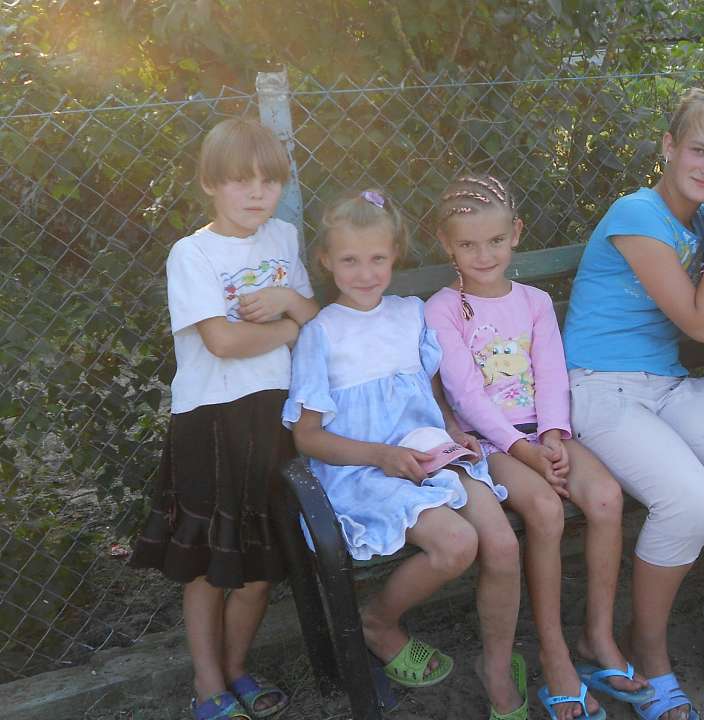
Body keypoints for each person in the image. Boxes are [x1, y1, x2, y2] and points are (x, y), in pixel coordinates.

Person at [562, 88, 704, 720]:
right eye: (698, 149)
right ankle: (648, 651)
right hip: (600, 388)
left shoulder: (701, 223)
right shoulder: (637, 213)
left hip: (667, 385)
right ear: (667, 146)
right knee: (687, 499)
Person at [285, 189, 528, 720]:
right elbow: (308, 437)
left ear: (395, 254)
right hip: (363, 469)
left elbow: (431, 394)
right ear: (326, 261)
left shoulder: (410, 314)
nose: (365, 272)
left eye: (377, 258)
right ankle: (377, 621)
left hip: (428, 451)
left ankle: (496, 666)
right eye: (350, 260)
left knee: (503, 544)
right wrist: (378, 455)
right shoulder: (321, 334)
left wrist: (454, 430)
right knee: (457, 544)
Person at [425, 174, 651, 720]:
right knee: (546, 509)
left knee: (605, 497)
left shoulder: (534, 301)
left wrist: (551, 434)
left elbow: (551, 372)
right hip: (490, 442)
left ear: (517, 234)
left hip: (544, 431)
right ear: (445, 243)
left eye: (496, 241)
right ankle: (554, 654)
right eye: (468, 244)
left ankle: (597, 637)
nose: (484, 255)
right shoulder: (443, 308)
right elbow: (464, 393)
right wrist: (522, 450)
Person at [129, 117, 318, 720]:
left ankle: (238, 669)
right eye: (240, 180)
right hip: (213, 423)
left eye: (269, 181)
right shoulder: (193, 253)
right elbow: (222, 342)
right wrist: (288, 328)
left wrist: (289, 304)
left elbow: (313, 315)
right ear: (210, 183)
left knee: (260, 565)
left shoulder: (284, 236)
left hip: (275, 418)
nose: (257, 193)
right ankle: (208, 684)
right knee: (213, 565)